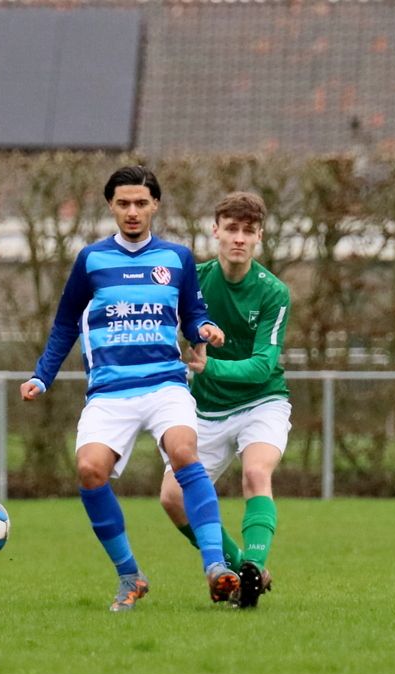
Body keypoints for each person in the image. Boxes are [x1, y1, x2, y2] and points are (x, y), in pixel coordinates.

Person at [20, 166, 241, 612]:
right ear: (111, 206)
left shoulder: (177, 258)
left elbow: (192, 314)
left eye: (141, 202)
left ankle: (216, 567)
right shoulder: (91, 260)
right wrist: (42, 375)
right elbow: (65, 323)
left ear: (155, 204)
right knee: (89, 470)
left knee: (184, 452)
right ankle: (130, 576)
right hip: (109, 391)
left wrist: (205, 328)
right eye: (123, 203)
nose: (133, 211)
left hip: (165, 384)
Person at [159, 192, 291, 609]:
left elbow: (262, 367)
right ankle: (239, 569)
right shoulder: (193, 281)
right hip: (204, 409)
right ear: (215, 231)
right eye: (231, 229)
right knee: (173, 498)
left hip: (261, 402)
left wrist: (208, 366)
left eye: (248, 231)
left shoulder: (273, 292)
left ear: (259, 237)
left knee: (256, 474)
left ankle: (253, 566)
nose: (239, 238)